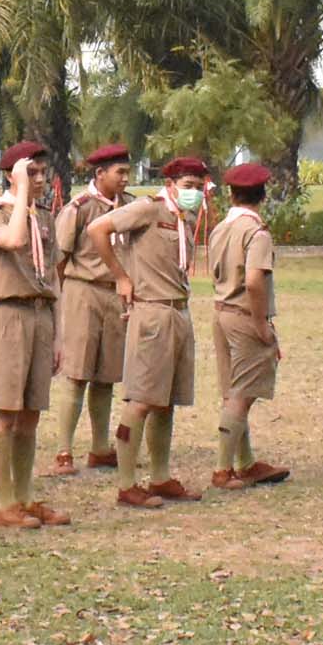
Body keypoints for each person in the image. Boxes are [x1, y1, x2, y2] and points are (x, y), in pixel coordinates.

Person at [107, 154, 210, 506]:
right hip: (152, 311)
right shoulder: (148, 209)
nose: (194, 192)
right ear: (170, 185)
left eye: (199, 187)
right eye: (188, 186)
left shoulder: (184, 216)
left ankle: (160, 477)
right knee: (140, 400)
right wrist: (121, 277)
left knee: (167, 401)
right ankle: (126, 484)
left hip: (179, 310)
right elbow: (98, 230)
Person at [0, 143, 69, 528]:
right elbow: (14, 241)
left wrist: (58, 335)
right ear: (12, 175)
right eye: (32, 173)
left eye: (44, 172)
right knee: (4, 410)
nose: (41, 179)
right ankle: (5, 503)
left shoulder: (45, 217)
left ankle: (26, 497)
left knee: (31, 411)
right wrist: (19, 193)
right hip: (6, 313)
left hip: (39, 313)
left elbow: (53, 276)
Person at [204, 160, 290, 487]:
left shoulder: (220, 228)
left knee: (232, 391)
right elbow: (254, 282)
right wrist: (261, 325)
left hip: (221, 311)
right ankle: (223, 469)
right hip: (244, 314)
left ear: (231, 194)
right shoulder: (256, 233)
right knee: (242, 395)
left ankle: (246, 462)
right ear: (263, 195)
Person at [50, 146, 130, 477]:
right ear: (100, 174)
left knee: (106, 376)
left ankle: (99, 447)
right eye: (119, 173)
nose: (125, 179)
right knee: (77, 372)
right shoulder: (79, 208)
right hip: (82, 292)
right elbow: (59, 259)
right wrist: (59, 300)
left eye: (127, 173)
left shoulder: (128, 207)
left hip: (115, 295)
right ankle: (63, 451)